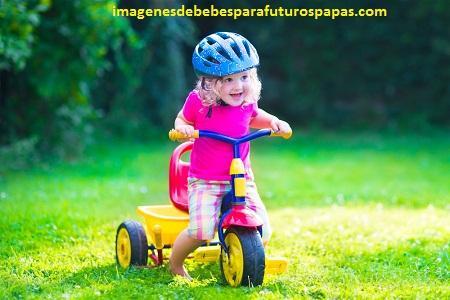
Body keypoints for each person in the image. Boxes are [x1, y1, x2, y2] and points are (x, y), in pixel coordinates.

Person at [169, 32, 292, 279]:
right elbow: (183, 118)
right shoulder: (199, 101)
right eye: (227, 79)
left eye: (244, 77)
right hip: (206, 180)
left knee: (263, 230)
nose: (238, 86)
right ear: (208, 82)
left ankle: (240, 255)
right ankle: (175, 263)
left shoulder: (246, 102)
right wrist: (183, 128)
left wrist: (275, 122)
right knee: (201, 231)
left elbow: (255, 117)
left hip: (241, 178)